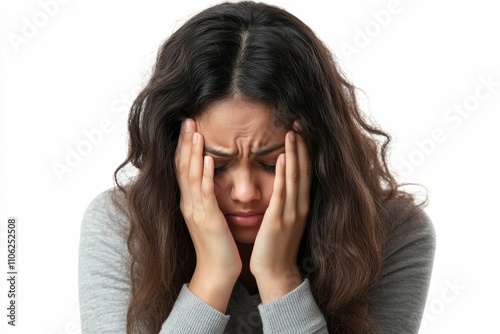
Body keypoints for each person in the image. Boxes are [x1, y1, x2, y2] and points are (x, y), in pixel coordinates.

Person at [78, 1, 436, 333]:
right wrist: (213, 278)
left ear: (321, 150)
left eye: (269, 162)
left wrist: (280, 279)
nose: (246, 192)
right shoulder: (119, 226)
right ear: (174, 155)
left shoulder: (395, 233)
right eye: (217, 166)